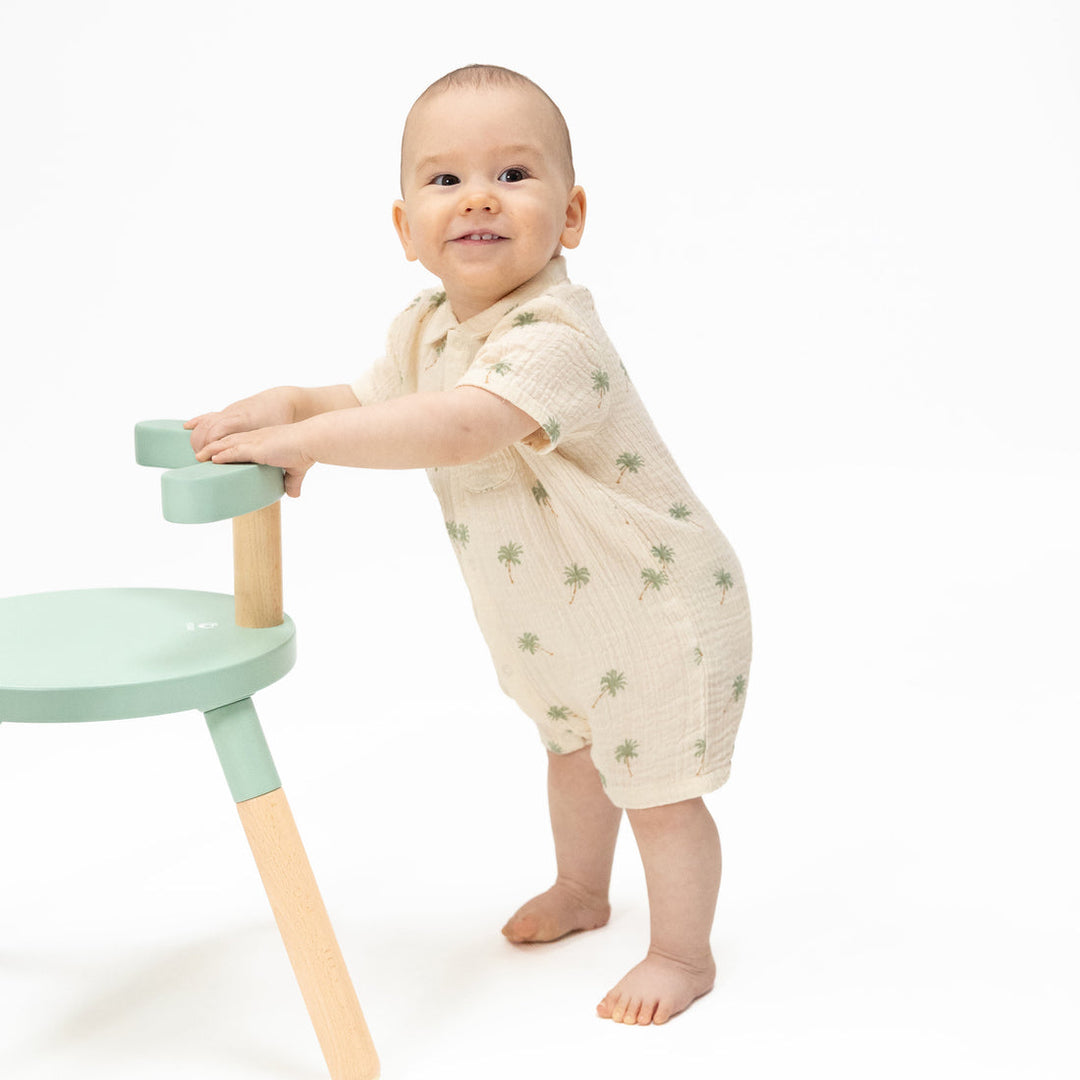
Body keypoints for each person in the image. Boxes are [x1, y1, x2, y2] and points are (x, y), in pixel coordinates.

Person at [186, 64, 751, 1027]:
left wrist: (306, 446)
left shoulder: (554, 333)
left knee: (657, 793)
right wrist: (294, 405)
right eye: (444, 180)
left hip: (658, 611)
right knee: (572, 750)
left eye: (515, 175)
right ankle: (581, 892)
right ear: (405, 229)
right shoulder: (428, 328)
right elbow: (370, 404)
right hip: (564, 619)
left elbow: (456, 428)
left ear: (570, 216)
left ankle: (680, 952)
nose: (479, 196)